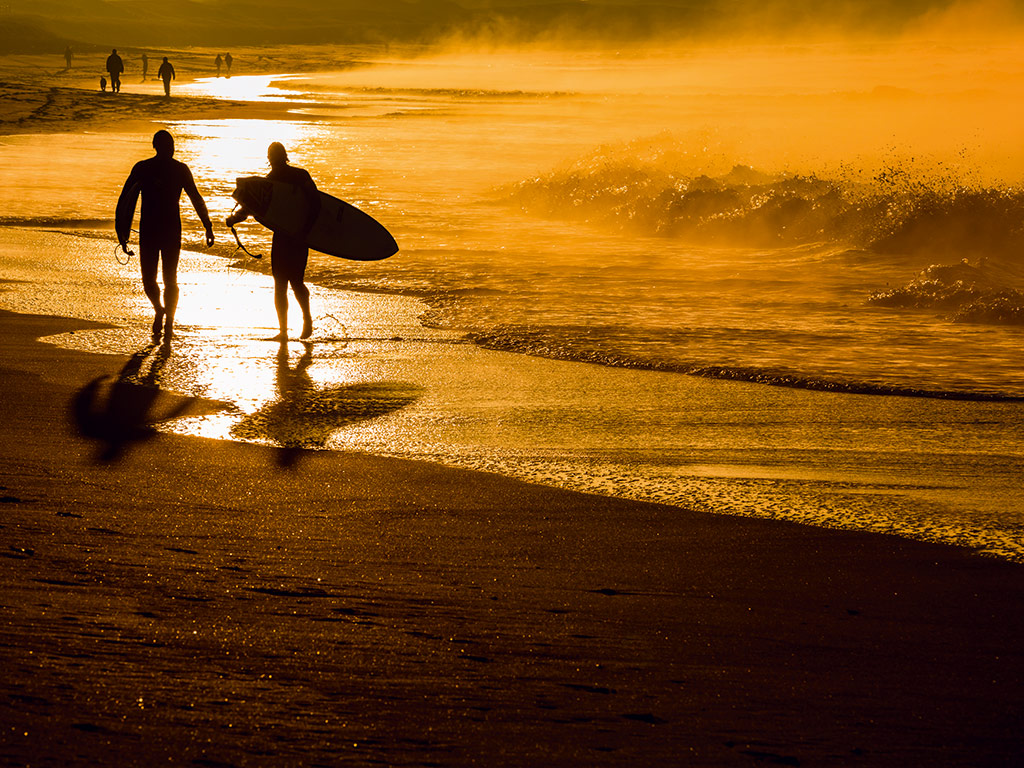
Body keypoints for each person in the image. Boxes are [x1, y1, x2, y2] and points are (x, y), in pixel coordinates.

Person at [117, 130, 215, 339]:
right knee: (158, 280)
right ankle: (163, 312)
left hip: (156, 230)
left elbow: (124, 201)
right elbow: (126, 198)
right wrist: (207, 226)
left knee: (157, 280)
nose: (171, 149)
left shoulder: (149, 168)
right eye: (169, 145)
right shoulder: (166, 169)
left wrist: (122, 232)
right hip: (166, 229)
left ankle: (166, 316)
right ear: (164, 147)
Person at [226, 142, 319, 340]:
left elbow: (250, 207)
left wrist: (233, 219)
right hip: (297, 236)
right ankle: (297, 324)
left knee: (287, 283)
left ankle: (294, 326)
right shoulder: (298, 176)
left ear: (270, 158)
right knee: (290, 283)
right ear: (284, 156)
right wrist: (306, 231)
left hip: (290, 237)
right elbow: (316, 203)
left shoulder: (273, 181)